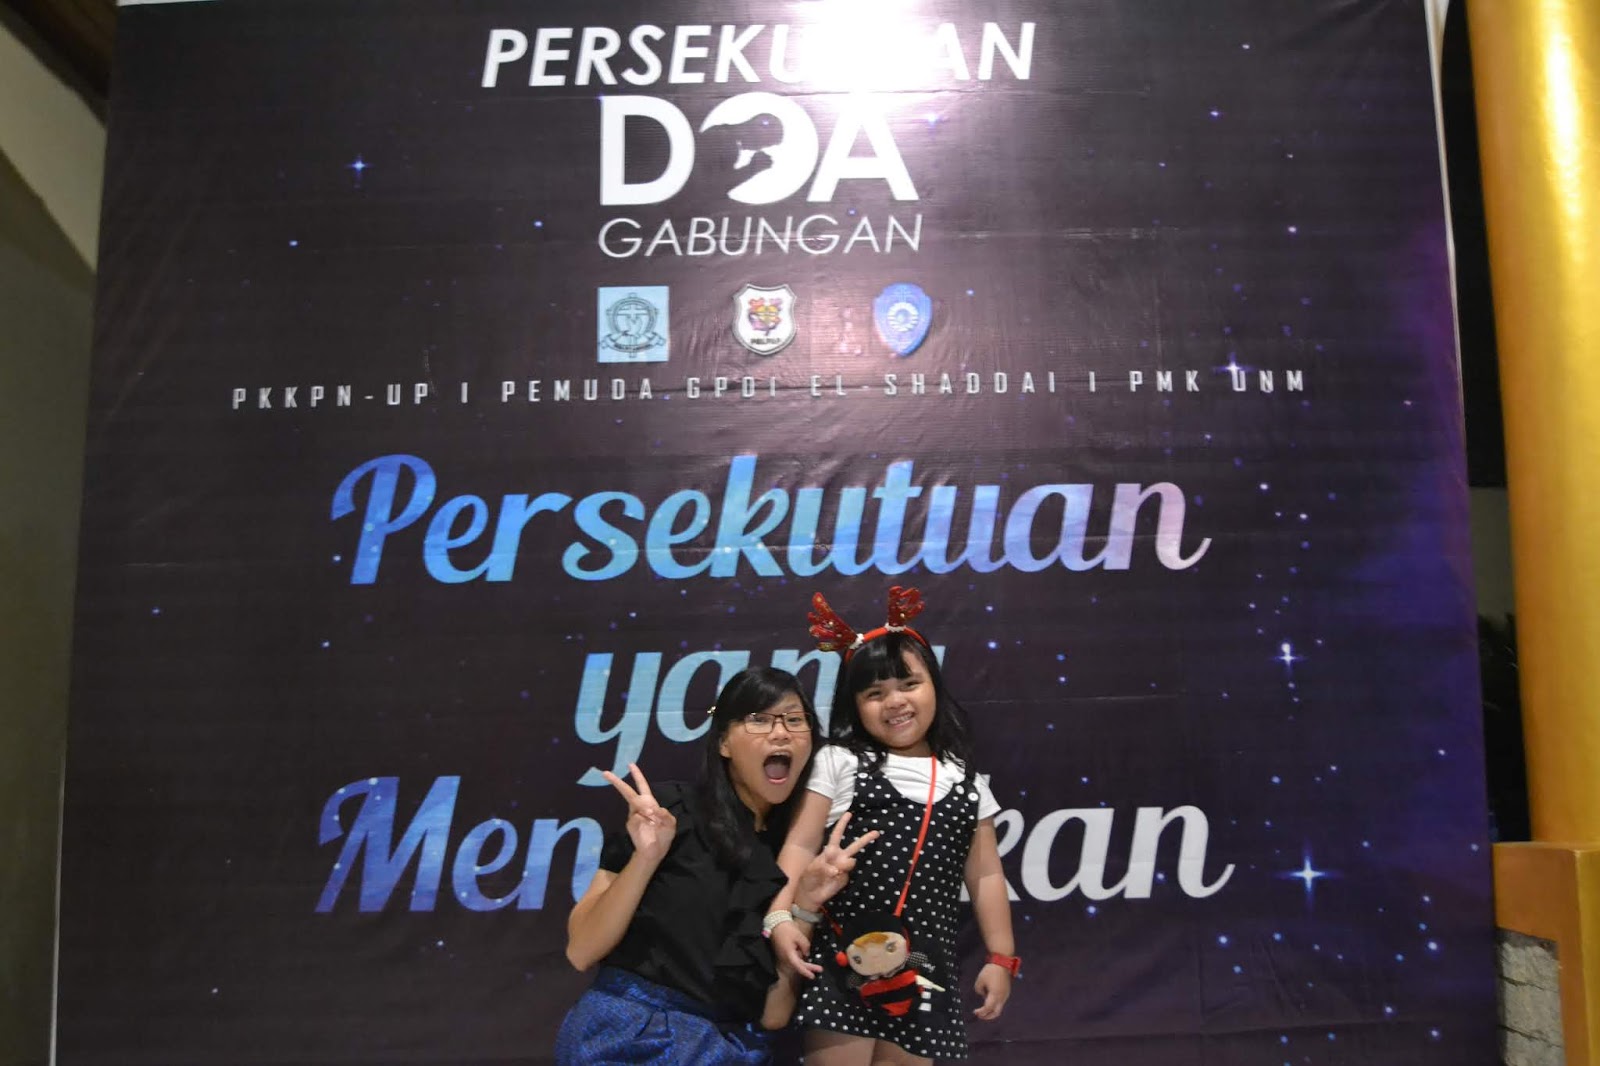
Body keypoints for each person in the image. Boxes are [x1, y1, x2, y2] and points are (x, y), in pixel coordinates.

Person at [556, 666, 876, 1065]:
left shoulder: (797, 857)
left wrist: (806, 907)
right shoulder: (669, 814)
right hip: (629, 1037)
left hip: (726, 1050)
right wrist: (646, 857)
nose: (781, 733)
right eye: (759, 719)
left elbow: (773, 1014)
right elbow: (581, 950)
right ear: (723, 741)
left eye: (795, 720)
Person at [770, 587, 1019, 1065]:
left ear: (935, 686)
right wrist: (780, 918)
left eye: (909, 684)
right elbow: (799, 846)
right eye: (874, 693)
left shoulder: (966, 782)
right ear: (854, 705)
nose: (895, 702)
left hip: (924, 971)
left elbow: (987, 874)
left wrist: (1000, 957)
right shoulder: (841, 761)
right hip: (844, 960)